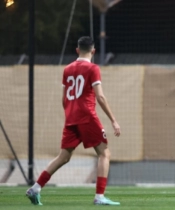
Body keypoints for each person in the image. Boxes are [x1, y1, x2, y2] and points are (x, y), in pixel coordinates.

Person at [26, 36, 121, 205]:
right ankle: (99, 196)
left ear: (77, 50)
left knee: (63, 156)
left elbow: (64, 99)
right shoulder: (93, 68)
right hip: (87, 116)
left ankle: (35, 188)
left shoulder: (67, 69)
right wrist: (113, 120)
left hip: (71, 117)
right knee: (104, 153)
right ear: (93, 51)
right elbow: (100, 96)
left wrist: (70, 114)